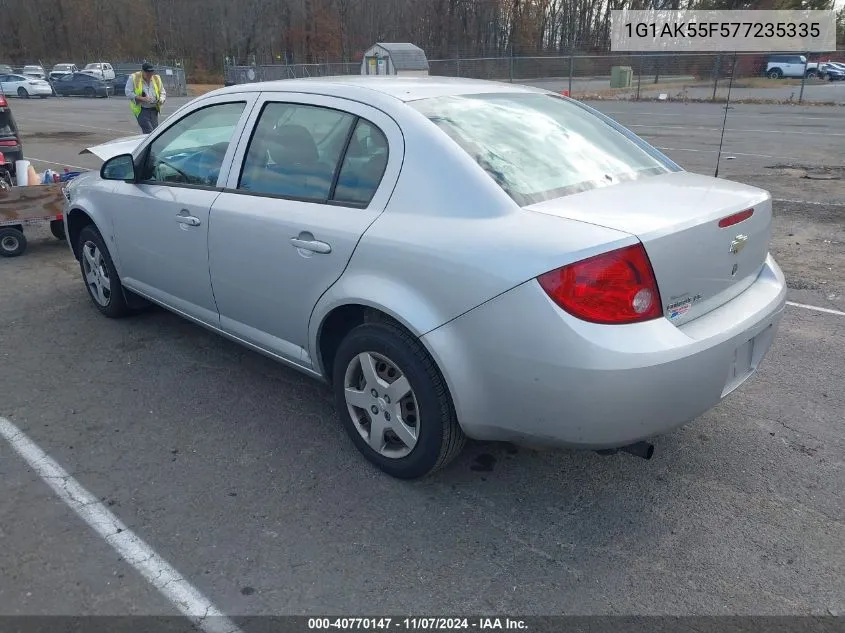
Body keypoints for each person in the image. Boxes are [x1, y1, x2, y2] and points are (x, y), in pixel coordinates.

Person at [126, 62, 166, 133]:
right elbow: (128, 92)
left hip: (154, 109)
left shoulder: (157, 78)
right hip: (141, 110)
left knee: (155, 132)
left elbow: (162, 92)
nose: (150, 75)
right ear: (142, 71)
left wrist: (161, 100)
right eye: (147, 73)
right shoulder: (134, 78)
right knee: (148, 131)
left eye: (151, 72)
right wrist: (142, 98)